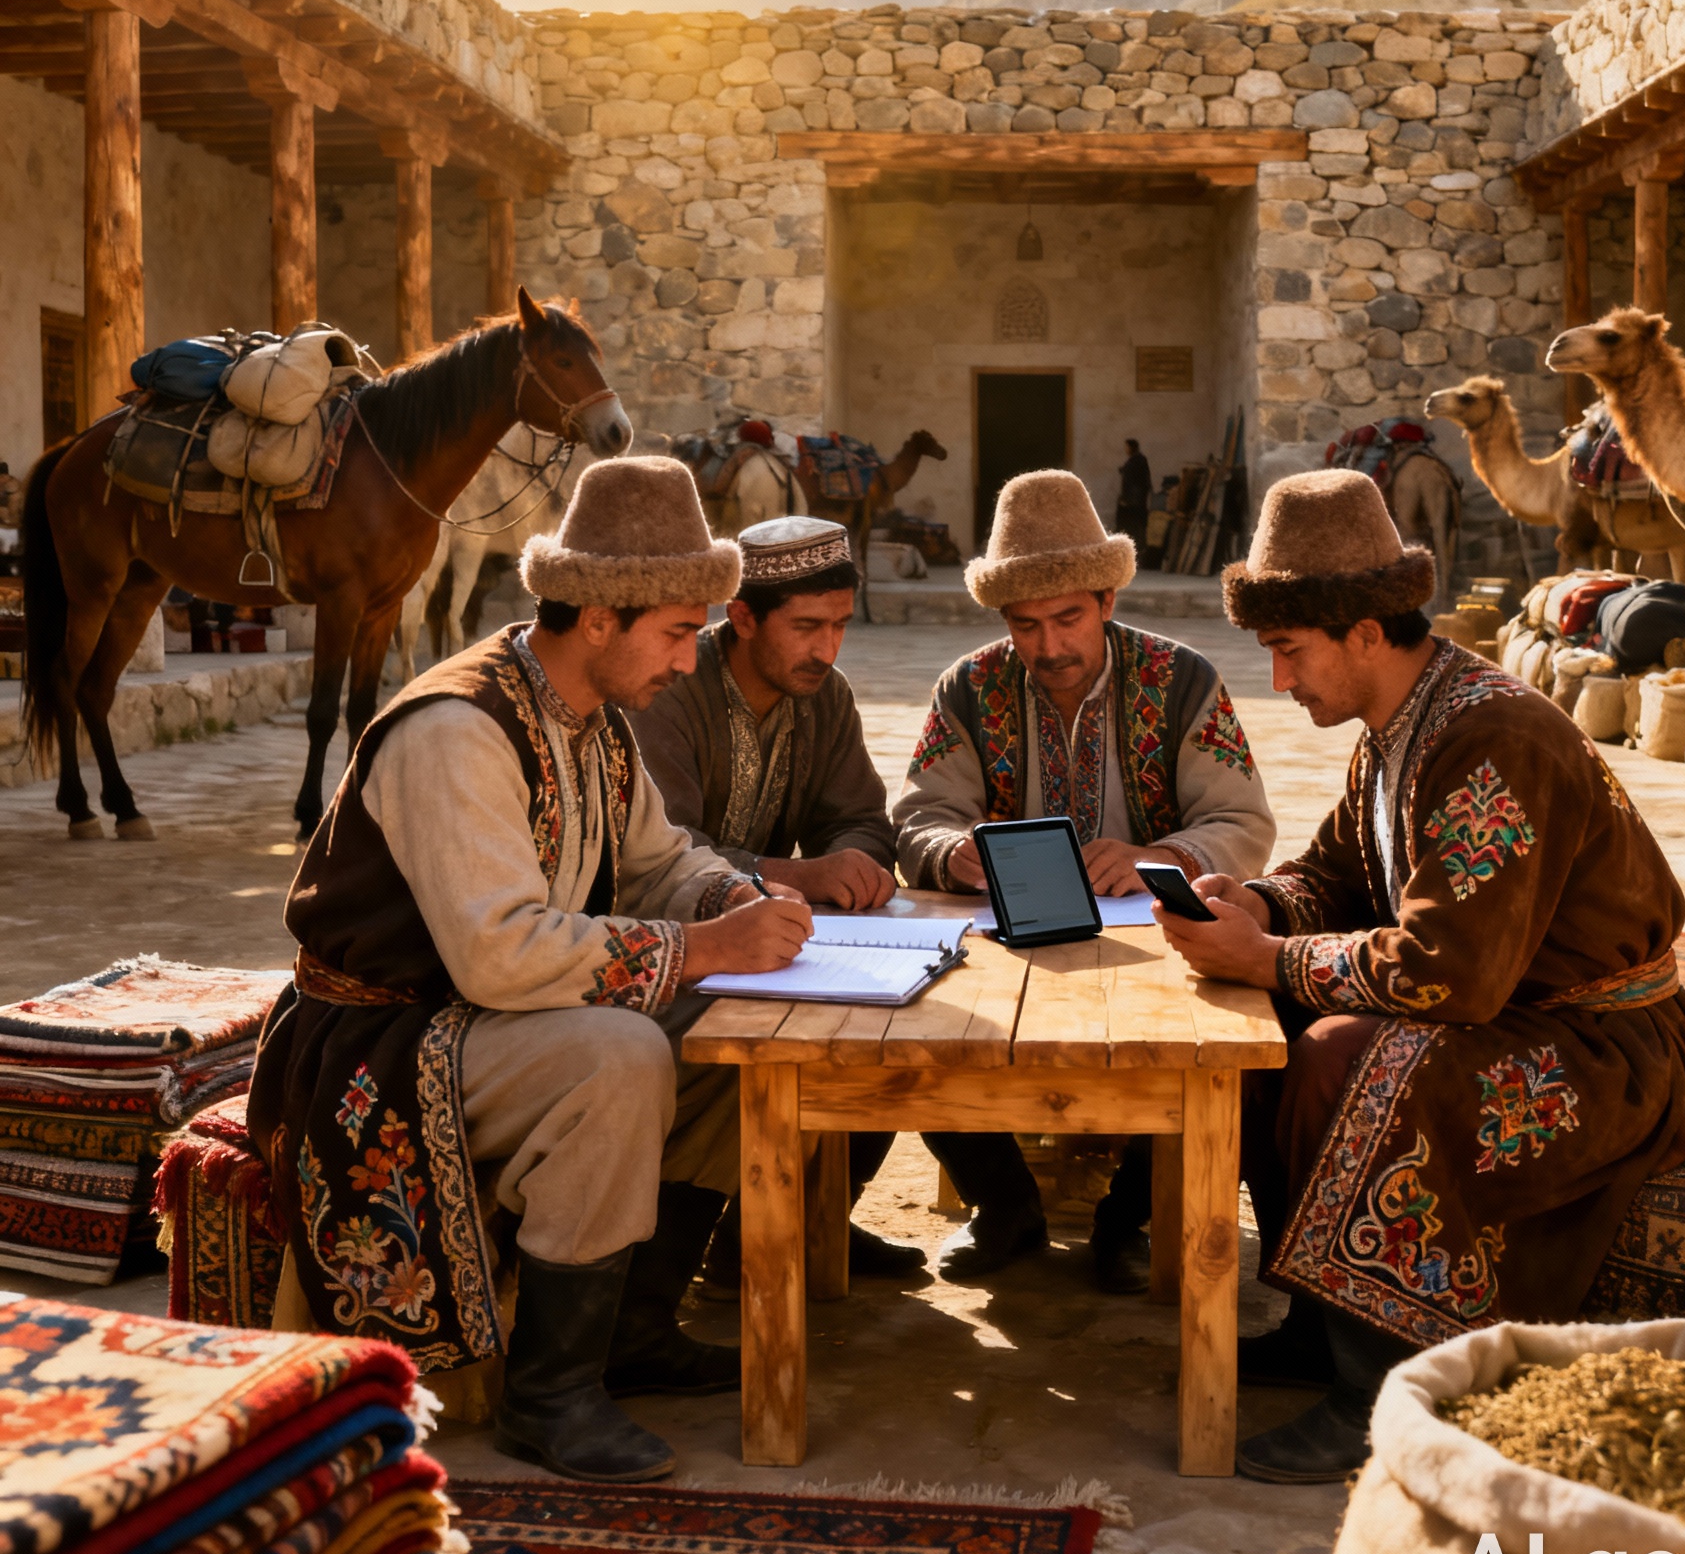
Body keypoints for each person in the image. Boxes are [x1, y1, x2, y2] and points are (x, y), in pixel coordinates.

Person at [248, 457, 814, 1486]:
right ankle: (547, 1395)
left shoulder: (592, 721)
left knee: (738, 1028)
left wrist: (728, 901)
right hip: (381, 1043)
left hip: (475, 1020)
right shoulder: (458, 727)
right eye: (679, 632)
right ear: (597, 616)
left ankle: (631, 1329)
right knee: (617, 1053)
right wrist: (697, 948)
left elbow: (658, 857)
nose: (691, 662)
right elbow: (500, 953)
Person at [1153, 469, 1685, 1483]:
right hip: (1516, 1013)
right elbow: (1331, 870)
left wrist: (1274, 957)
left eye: (1289, 651)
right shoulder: (1394, 728)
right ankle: (1324, 1319)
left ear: (1364, 630)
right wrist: (1262, 904)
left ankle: (1388, 1380)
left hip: (1608, 1052)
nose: (1280, 681)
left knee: (1342, 1056)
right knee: (1267, 1033)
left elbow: (1447, 972)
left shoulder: (1486, 734)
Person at [894, 468, 1277, 1292]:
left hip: (1155, 949)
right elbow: (920, 815)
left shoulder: (1183, 681)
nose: (1048, 647)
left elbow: (1243, 826)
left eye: (1068, 617)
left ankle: (1126, 1219)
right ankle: (1005, 1207)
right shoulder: (967, 685)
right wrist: (956, 852)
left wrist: (1161, 859)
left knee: (1220, 1042)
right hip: (1009, 945)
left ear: (1107, 599)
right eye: (1024, 626)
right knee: (911, 1016)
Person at [628, 513, 931, 1285]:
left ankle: (803, 1220)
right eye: (806, 627)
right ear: (741, 617)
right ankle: (691, 1262)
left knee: (897, 1017)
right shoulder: (669, 687)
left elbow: (862, 819)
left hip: (778, 943)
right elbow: (660, 851)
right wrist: (797, 875)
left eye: (838, 626)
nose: (826, 649)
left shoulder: (824, 695)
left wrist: (857, 862)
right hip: (665, 943)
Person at [1115, 438, 1151, 546]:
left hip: (1134, 500)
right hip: (1136, 499)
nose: (1126, 449)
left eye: (1127, 447)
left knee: (1132, 525)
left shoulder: (1136, 461)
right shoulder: (1137, 460)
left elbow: (1133, 480)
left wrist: (1126, 498)